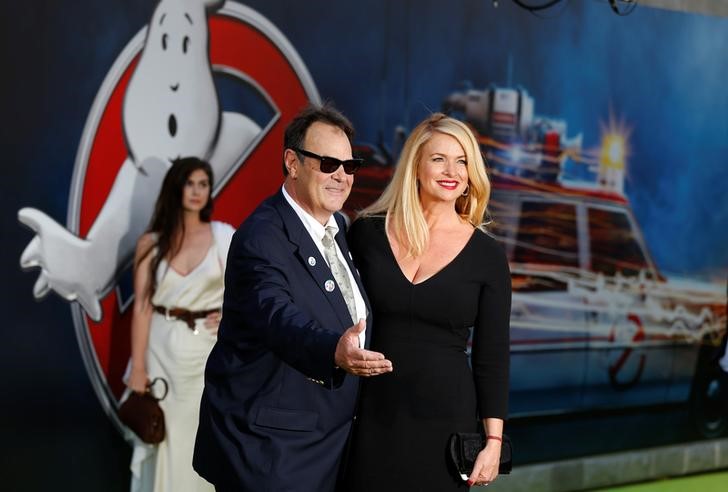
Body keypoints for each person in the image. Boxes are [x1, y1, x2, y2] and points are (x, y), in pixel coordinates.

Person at [193, 103, 393, 492]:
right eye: (328, 163)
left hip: (331, 447)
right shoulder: (261, 237)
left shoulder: (338, 224)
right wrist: (334, 350)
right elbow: (278, 318)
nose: (341, 176)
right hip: (274, 452)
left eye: (349, 166)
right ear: (293, 162)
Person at [345, 113, 512, 490]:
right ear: (416, 165)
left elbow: (493, 357)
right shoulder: (367, 233)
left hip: (446, 425)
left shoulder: (487, 255)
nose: (451, 170)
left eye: (462, 160)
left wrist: (494, 442)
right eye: (439, 158)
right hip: (369, 416)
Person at [126, 157, 234, 492]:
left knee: (199, 441)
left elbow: (252, 292)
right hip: (160, 354)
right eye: (190, 183)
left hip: (205, 357)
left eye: (204, 184)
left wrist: (229, 317)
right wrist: (139, 370)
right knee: (163, 439)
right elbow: (142, 308)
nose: (197, 191)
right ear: (176, 186)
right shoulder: (151, 243)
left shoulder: (223, 236)